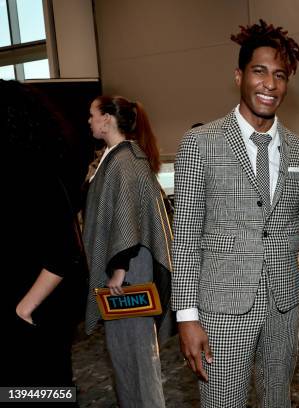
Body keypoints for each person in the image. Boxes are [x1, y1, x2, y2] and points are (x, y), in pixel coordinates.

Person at [171, 19, 299, 407]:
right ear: (239, 76)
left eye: (280, 75)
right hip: (221, 307)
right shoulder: (201, 143)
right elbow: (184, 236)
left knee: (277, 400)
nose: (270, 84)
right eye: (260, 71)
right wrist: (186, 316)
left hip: (284, 304)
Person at [83, 95, 173, 407]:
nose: (89, 120)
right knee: (122, 352)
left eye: (93, 115)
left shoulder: (126, 160)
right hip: (123, 269)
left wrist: (118, 269)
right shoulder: (113, 157)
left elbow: (128, 215)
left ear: (107, 118)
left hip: (128, 271)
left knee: (138, 355)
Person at [1, 79, 87, 391]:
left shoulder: (35, 176)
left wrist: (22, 310)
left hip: (35, 315)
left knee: (41, 391)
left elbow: (63, 253)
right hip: (32, 314)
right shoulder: (23, 171)